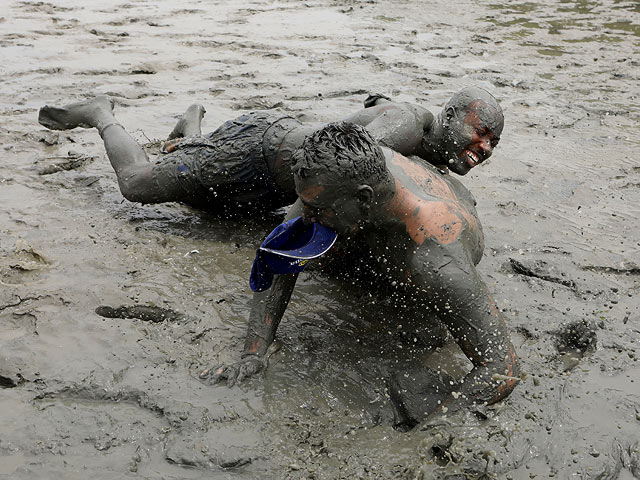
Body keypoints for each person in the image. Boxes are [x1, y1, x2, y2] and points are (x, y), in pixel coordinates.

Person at [201, 122, 519, 430]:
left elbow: (501, 371)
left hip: (443, 211)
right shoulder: (337, 178)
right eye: (305, 202)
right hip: (397, 191)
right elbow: (280, 259)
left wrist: (432, 418)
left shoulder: (437, 259)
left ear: (364, 199)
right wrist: (253, 353)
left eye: (315, 209)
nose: (304, 216)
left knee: (423, 332)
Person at [37, 86, 502, 213]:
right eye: (479, 132)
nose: (483, 148)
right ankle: (101, 112)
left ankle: (191, 129)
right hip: (256, 151)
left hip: (274, 179)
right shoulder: (411, 122)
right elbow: (348, 170)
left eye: (492, 144)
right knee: (138, 186)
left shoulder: (429, 152)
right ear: (451, 115)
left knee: (198, 208)